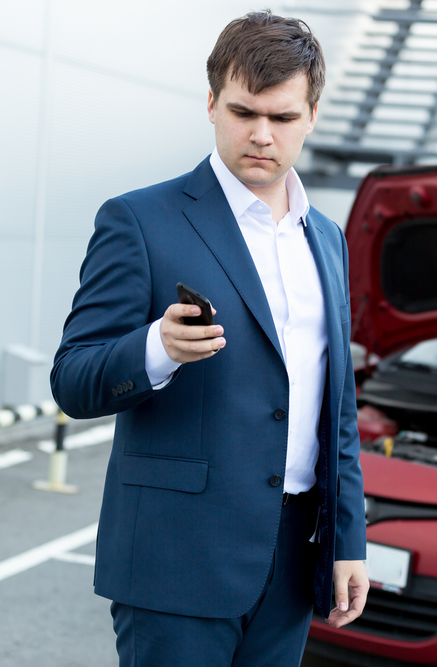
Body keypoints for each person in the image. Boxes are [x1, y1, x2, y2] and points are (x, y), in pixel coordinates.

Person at [51, 10, 368, 667]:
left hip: (292, 560)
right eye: (242, 111)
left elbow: (334, 410)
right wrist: (156, 349)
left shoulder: (329, 242)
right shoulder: (138, 220)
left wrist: (349, 540)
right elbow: (73, 379)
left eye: (282, 118)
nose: (260, 134)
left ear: (312, 115)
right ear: (210, 103)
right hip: (174, 561)